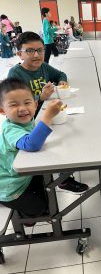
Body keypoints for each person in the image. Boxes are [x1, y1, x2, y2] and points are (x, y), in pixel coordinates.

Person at [7, 32, 89, 194]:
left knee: (73, 133)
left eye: (40, 50)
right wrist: (40, 97)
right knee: (59, 144)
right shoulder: (16, 75)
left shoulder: (43, 67)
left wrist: (62, 82)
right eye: (30, 51)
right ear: (19, 54)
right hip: (27, 123)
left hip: (46, 114)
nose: (37, 55)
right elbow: (18, 109)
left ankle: (63, 175)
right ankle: (63, 180)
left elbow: (60, 74)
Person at [0, 78, 63, 221]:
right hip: (8, 187)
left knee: (43, 182)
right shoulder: (10, 128)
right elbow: (31, 144)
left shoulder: (25, 120)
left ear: (35, 105)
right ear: (2, 110)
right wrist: (47, 116)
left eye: (27, 103)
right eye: (13, 105)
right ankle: (24, 218)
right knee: (38, 208)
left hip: (21, 177)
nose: (22, 108)